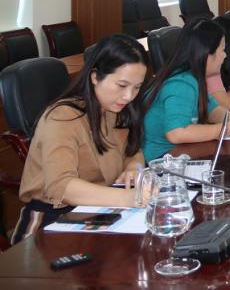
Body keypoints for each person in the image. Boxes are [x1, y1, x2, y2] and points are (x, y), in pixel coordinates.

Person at [12, 35, 150, 242]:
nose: (129, 96)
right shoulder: (62, 117)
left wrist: (132, 168)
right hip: (49, 220)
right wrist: (129, 198)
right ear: (95, 77)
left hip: (95, 210)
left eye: (137, 87)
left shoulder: (116, 109)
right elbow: (61, 186)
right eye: (122, 85)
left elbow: (133, 151)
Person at [143, 20, 230, 162]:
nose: (225, 56)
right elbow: (176, 133)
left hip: (181, 152)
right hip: (162, 160)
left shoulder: (194, 78)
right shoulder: (181, 83)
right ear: (206, 53)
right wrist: (228, 129)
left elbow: (213, 111)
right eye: (222, 50)